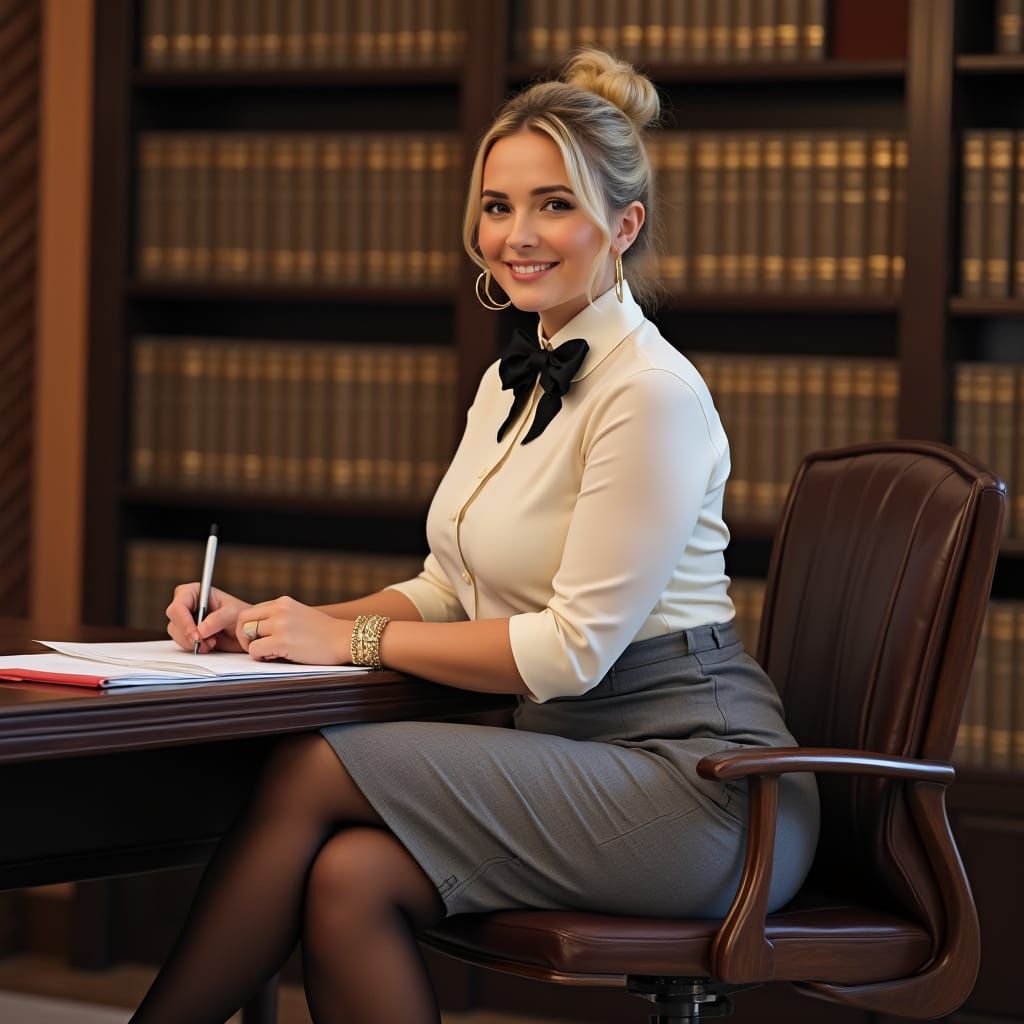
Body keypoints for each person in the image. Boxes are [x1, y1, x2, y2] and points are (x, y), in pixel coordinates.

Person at [136, 48, 819, 1024]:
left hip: (703, 789)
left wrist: (354, 641)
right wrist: (279, 624)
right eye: (498, 206)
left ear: (624, 225)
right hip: (572, 757)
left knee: (311, 763)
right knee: (350, 875)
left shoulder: (650, 394)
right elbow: (450, 588)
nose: (516, 235)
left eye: (554, 204)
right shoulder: (510, 381)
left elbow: (571, 651)